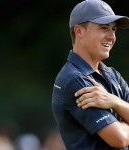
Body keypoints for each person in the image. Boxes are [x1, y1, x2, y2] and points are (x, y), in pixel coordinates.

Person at [52, 0, 129, 149]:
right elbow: (118, 139)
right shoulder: (74, 79)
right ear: (79, 31)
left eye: (113, 29)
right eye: (104, 28)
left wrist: (114, 102)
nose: (111, 36)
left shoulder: (112, 75)